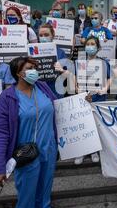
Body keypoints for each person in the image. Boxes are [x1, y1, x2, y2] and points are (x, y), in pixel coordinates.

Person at [0, 57, 61, 208]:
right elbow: (0, 132)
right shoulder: (7, 97)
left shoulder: (42, 87)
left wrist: (83, 101)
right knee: (26, 190)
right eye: (30, 68)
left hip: (49, 147)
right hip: (25, 152)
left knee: (46, 181)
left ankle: (43, 207)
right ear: (18, 73)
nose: (34, 71)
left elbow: (60, 105)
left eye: (35, 68)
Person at [74, 37, 111, 165]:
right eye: (88, 44)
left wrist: (106, 88)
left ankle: (94, 150)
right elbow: (75, 78)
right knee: (83, 124)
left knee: (95, 125)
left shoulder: (104, 63)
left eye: (93, 44)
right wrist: (78, 88)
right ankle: (82, 151)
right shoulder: (80, 62)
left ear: (98, 47)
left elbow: (109, 78)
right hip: (83, 98)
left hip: (98, 98)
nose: (90, 46)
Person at [37, 24, 71, 98]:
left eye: (46, 35)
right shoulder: (34, 53)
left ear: (53, 35)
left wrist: (62, 70)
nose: (43, 38)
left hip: (56, 92)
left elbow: (69, 76)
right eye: (41, 35)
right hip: (39, 93)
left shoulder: (60, 53)